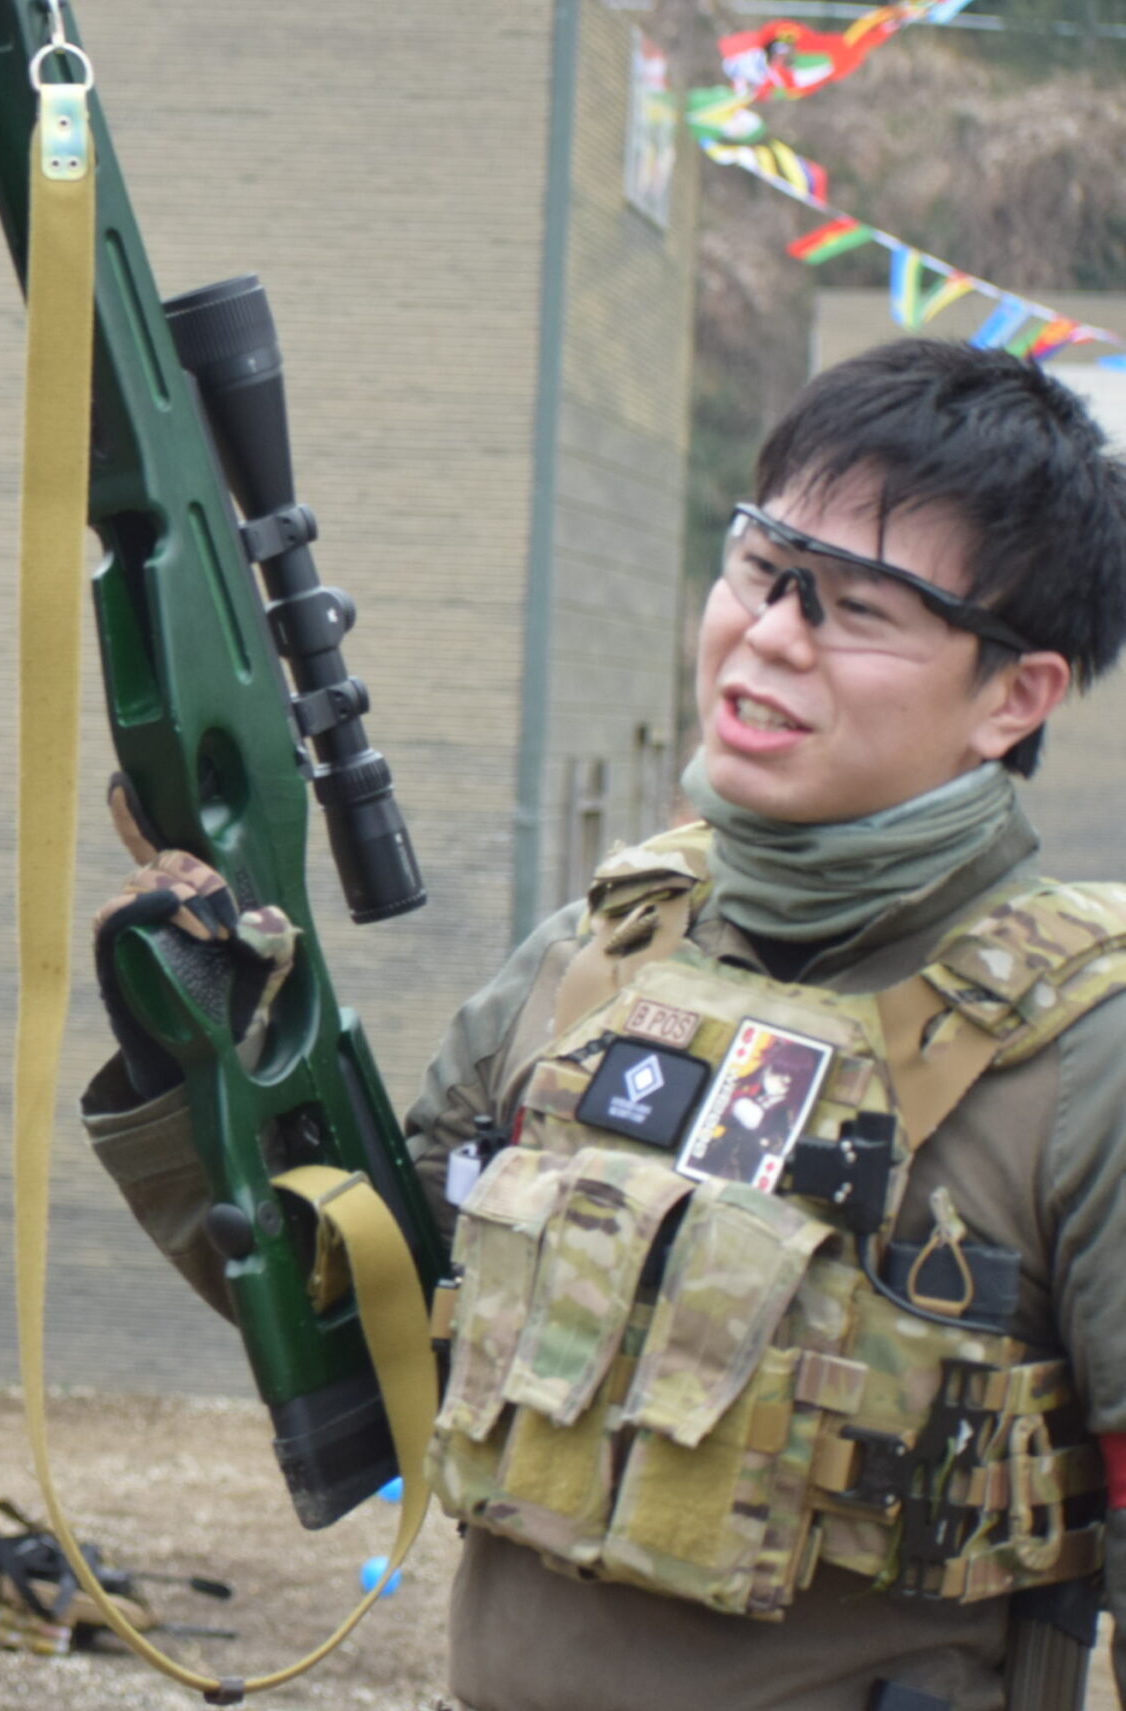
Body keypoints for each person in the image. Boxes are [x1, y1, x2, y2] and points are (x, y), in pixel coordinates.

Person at [84, 339, 1126, 1710]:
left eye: (859, 608)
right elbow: (364, 1328)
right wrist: (201, 1057)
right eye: (762, 566)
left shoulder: (1085, 1047)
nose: (771, 633)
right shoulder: (604, 952)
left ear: (1015, 695)